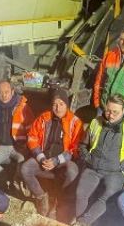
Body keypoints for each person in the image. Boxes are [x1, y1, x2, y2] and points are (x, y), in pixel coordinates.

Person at [74, 93, 124, 226]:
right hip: (93, 168)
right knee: (81, 193)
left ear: (123, 111)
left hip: (114, 172)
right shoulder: (96, 122)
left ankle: (84, 222)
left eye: (115, 112)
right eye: (108, 110)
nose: (110, 115)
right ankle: (81, 223)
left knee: (108, 194)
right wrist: (87, 158)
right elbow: (82, 145)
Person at [22, 88, 83, 216]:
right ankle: (41, 198)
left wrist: (56, 160)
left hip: (63, 161)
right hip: (44, 158)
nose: (58, 108)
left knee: (72, 171)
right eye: (55, 104)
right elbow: (32, 138)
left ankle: (58, 202)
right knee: (26, 168)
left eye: (61, 104)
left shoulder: (75, 122)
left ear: (67, 105)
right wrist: (41, 158)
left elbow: (75, 148)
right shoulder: (44, 118)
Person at [0, 79, 35, 178]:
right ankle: (5, 180)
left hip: (18, 147)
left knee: (23, 163)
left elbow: (32, 130)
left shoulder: (23, 107)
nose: (4, 95)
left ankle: (17, 181)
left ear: (12, 92)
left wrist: (26, 146)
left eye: (6, 92)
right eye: (1, 93)